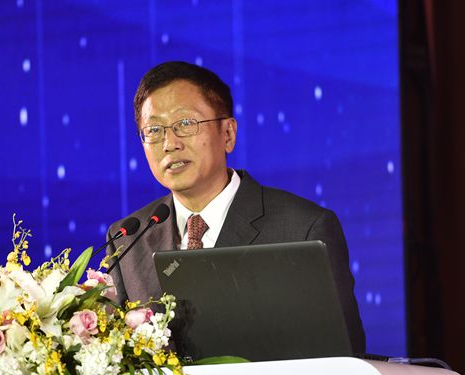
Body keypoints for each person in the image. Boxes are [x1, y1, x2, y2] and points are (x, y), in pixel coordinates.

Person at [106, 61, 365, 353]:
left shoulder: (304, 229)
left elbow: (344, 359)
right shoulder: (128, 238)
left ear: (228, 134)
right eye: (154, 130)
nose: (169, 143)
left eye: (186, 124)